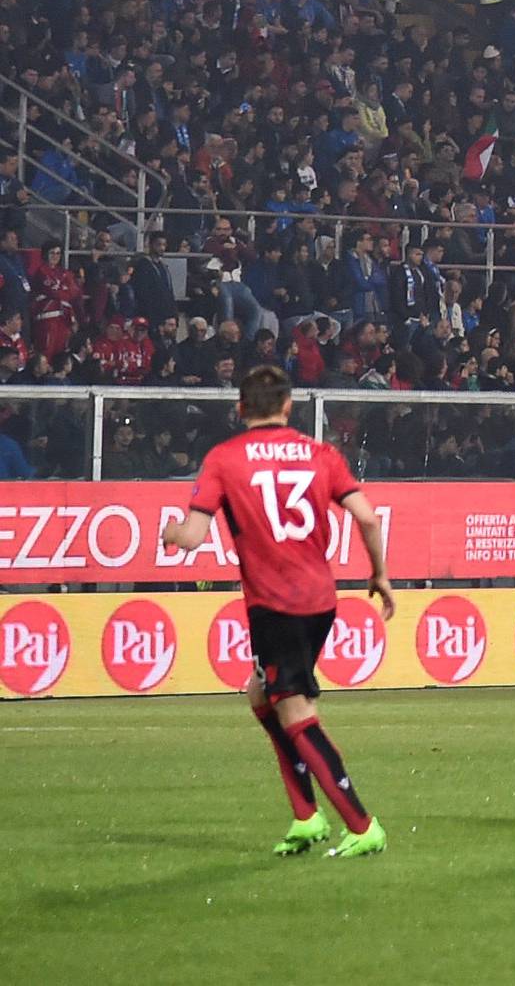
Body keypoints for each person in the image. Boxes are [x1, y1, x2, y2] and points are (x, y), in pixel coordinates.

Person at [160, 364, 393, 858]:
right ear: (288, 406)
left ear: (240, 408)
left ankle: (361, 823)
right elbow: (368, 517)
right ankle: (306, 817)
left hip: (276, 604)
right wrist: (380, 574)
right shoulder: (320, 454)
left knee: (293, 709)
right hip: (320, 601)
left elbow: (194, 535)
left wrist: (172, 534)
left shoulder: (225, 459)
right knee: (261, 695)